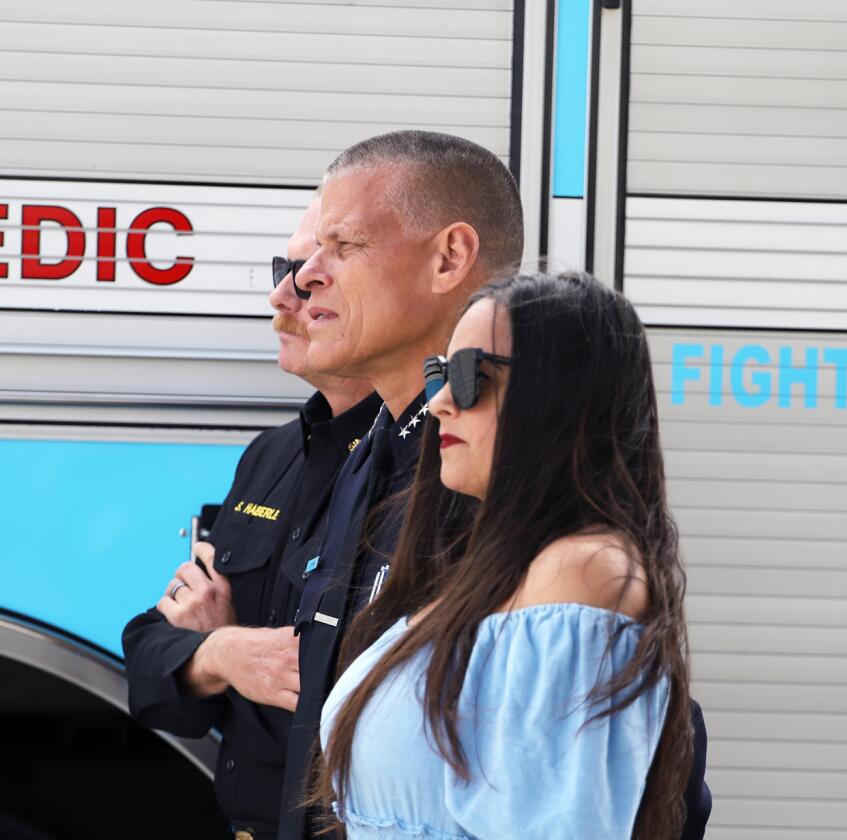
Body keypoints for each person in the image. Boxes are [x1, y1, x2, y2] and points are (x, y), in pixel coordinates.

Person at [279, 131, 710, 839]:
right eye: (438, 376)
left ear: (561, 399)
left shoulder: (579, 571)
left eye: (471, 377)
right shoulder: (486, 567)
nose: (443, 401)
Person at [121, 197, 381, 840]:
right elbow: (148, 660)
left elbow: (337, 699)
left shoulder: (433, 463)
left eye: (316, 276)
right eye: (283, 270)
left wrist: (224, 658)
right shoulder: (272, 455)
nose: (282, 299)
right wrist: (228, 654)